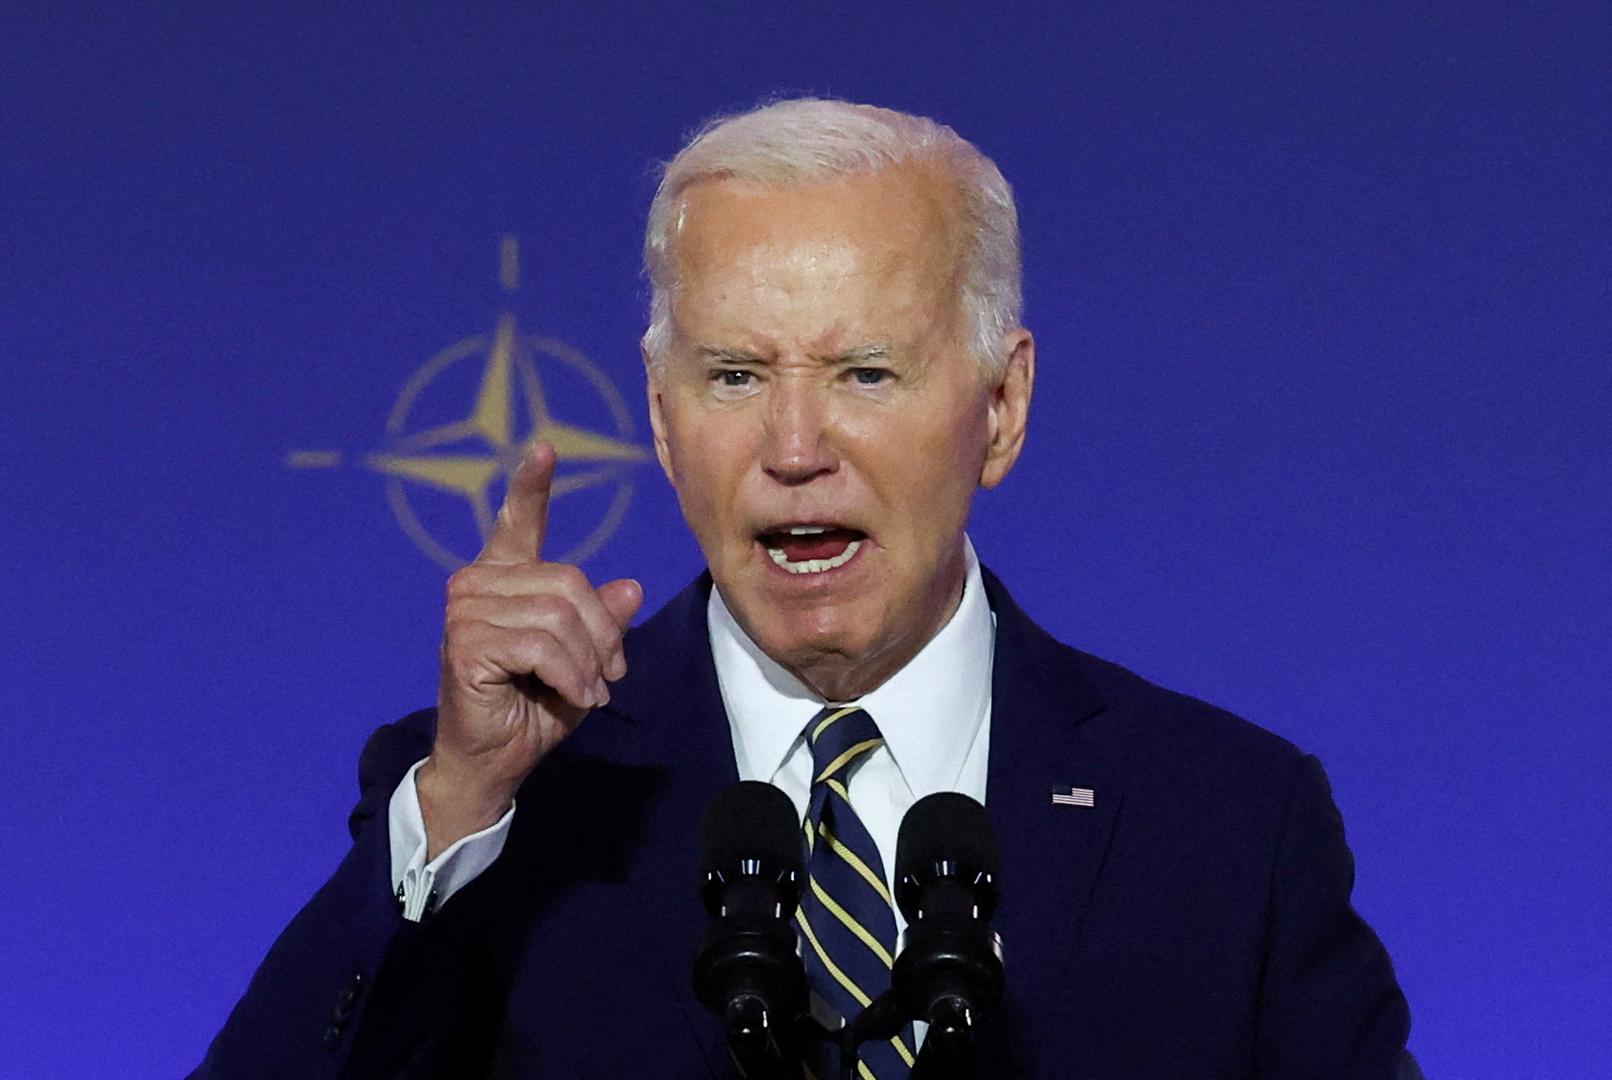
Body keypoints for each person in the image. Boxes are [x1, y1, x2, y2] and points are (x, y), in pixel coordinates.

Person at [195, 99, 1413, 1079]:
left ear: (1002, 407)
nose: (792, 448)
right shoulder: (506, 810)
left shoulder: (1227, 826)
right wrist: (460, 804)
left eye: (865, 372)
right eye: (733, 375)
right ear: (664, 422)